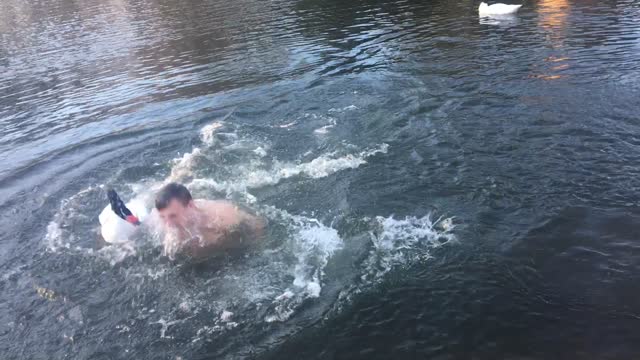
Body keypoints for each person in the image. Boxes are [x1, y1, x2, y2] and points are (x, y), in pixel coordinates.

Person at [152, 183, 265, 259]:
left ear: (190, 206)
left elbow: (255, 223)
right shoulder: (162, 225)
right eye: (163, 217)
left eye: (173, 216)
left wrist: (257, 250)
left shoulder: (221, 216)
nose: (168, 224)